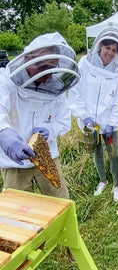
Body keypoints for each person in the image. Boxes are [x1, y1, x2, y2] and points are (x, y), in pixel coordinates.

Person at [0, 32, 80, 199]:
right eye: (43, 67)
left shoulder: (55, 88)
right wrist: (4, 133)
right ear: (28, 58)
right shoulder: (6, 81)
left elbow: (64, 122)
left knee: (60, 202)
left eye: (52, 68)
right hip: (15, 162)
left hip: (47, 155)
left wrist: (50, 130)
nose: (47, 74)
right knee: (19, 212)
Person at [68, 27, 118, 202]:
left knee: (114, 155)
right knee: (97, 153)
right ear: (100, 46)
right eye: (108, 48)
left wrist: (112, 122)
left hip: (109, 124)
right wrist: (84, 116)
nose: (110, 53)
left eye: (115, 50)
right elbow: (76, 90)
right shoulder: (85, 64)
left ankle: (117, 186)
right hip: (90, 123)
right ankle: (103, 181)